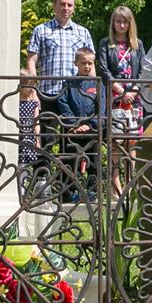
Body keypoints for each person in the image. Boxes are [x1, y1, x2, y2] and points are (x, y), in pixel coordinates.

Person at [25, 0, 94, 137]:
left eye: (69, 5)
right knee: (46, 137)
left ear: (74, 8)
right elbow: (31, 61)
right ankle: (45, 154)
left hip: (74, 94)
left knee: (72, 139)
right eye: (62, 4)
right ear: (54, 6)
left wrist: (93, 91)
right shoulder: (41, 30)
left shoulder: (83, 32)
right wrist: (32, 90)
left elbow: (90, 63)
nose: (66, 8)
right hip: (48, 92)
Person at [56, 48, 103, 201]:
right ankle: (68, 193)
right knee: (69, 161)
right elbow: (63, 103)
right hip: (72, 131)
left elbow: (101, 107)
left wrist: (90, 124)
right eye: (83, 63)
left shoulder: (97, 84)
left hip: (91, 131)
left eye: (90, 63)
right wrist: (74, 124)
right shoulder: (68, 83)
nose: (87, 66)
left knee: (93, 162)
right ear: (76, 63)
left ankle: (93, 192)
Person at [98, 5, 146, 137]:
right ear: (113, 23)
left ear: (130, 24)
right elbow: (103, 69)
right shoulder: (105, 43)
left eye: (125, 22)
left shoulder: (138, 44)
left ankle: (132, 153)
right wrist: (121, 92)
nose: (122, 25)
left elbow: (143, 70)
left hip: (134, 94)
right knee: (116, 135)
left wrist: (133, 91)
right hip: (114, 94)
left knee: (133, 135)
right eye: (118, 21)